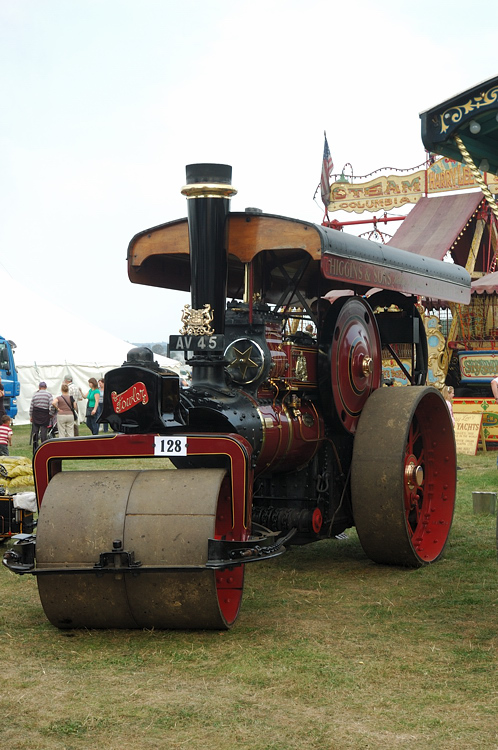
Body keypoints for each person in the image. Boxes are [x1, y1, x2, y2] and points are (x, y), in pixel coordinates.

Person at [30, 381, 53, 446]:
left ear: (39, 387)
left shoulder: (35, 395)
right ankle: (43, 444)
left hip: (36, 414)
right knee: (44, 430)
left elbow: (31, 406)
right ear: (46, 387)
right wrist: (51, 414)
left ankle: (35, 444)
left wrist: (31, 416)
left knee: (35, 431)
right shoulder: (49, 395)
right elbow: (51, 406)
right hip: (45, 414)